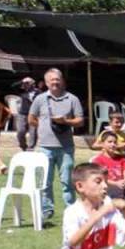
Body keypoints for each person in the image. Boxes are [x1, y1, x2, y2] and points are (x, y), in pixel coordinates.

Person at [28, 68, 85, 219]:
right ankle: (47, 210)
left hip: (66, 147)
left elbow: (80, 121)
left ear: (63, 81)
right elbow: (31, 118)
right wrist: (43, 126)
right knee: (45, 181)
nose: (55, 82)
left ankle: (71, 210)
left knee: (68, 181)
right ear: (46, 83)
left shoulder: (72, 99)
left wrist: (65, 121)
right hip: (44, 147)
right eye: (51, 80)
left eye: (57, 79)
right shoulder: (40, 99)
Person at [14, 76, 39, 152]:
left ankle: (31, 148)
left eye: (28, 83)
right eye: (26, 84)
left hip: (34, 114)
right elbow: (13, 86)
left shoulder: (38, 92)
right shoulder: (22, 91)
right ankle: (23, 146)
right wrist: (22, 81)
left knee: (33, 132)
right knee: (20, 131)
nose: (26, 85)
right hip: (23, 113)